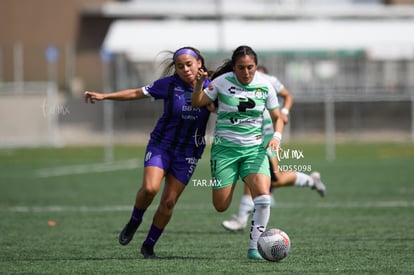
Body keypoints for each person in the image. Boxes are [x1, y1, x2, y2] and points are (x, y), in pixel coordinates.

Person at [84, 46, 212, 259]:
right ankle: (135, 220)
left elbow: (225, 108)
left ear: (199, 63)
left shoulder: (212, 87)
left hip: (189, 151)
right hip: (162, 145)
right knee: (150, 188)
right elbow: (136, 92)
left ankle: (149, 245)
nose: (185, 69)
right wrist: (104, 96)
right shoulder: (168, 85)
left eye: (189, 64)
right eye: (180, 66)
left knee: (169, 202)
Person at [191, 45, 284, 260]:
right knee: (221, 206)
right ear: (234, 67)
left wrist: (276, 138)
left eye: (250, 67)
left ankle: (254, 248)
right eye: (241, 68)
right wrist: (198, 84)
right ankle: (231, 182)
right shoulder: (221, 83)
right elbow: (198, 102)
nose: (246, 72)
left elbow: (278, 117)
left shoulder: (265, 85)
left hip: (254, 150)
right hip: (225, 151)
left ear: (256, 66)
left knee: (263, 197)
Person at [221, 66, 327, 232]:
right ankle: (241, 219)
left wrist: (284, 112)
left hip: (268, 137)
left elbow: (288, 96)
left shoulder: (270, 82)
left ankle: (310, 181)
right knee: (254, 177)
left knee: (274, 179)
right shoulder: (237, 84)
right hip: (249, 138)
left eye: (253, 70)